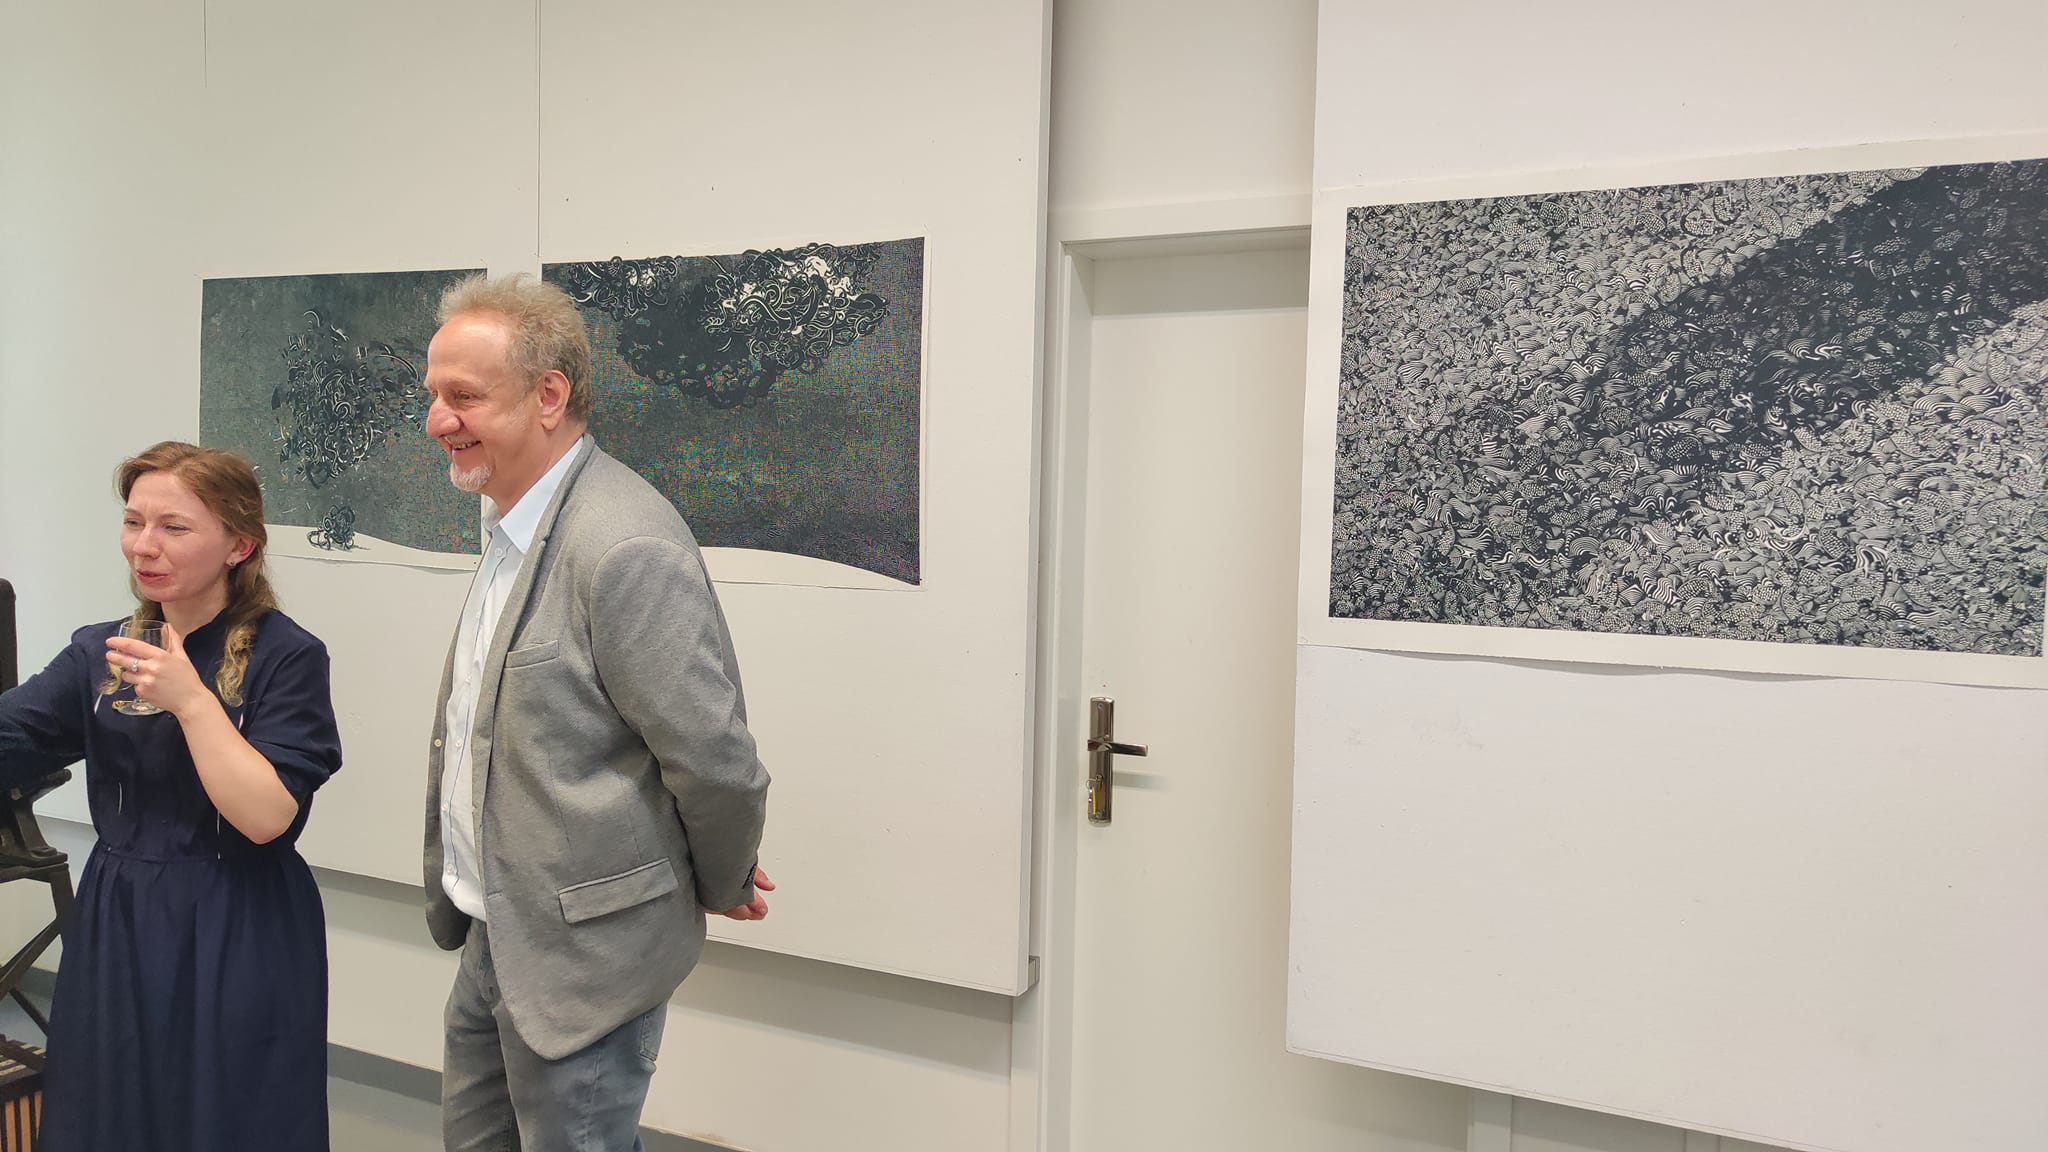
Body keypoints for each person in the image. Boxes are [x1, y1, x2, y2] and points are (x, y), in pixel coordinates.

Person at [420, 273, 772, 1152]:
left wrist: (722, 877)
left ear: (549, 396)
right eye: (432, 394)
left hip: (584, 958)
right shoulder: (509, 524)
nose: (435, 420)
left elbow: (715, 761)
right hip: (495, 929)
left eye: (463, 396)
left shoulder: (623, 543)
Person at [0, 441, 342, 1151]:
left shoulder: (287, 656)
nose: (144, 546)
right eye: (134, 522)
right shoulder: (100, 651)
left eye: (173, 527)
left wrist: (191, 701)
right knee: (110, 1110)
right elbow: (12, 735)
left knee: (228, 1117)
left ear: (239, 545)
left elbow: (266, 818)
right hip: (120, 913)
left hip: (236, 917)